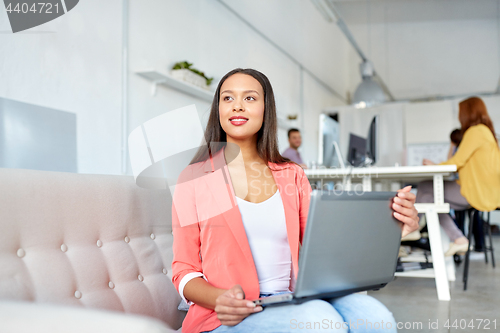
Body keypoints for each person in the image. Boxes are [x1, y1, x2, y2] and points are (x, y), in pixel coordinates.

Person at [171, 68, 419, 333]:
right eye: (228, 98)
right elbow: (183, 269)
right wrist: (219, 298)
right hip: (227, 316)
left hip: (289, 299)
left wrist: (392, 230)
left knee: (376, 319)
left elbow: (326, 246)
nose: (238, 106)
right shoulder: (194, 178)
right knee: (322, 324)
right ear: (218, 108)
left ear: (266, 109)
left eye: (250, 98)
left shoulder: (291, 175)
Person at [419, 96, 500, 256]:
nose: (459, 116)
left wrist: (434, 166)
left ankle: (413, 228)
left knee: (424, 186)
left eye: (460, 112)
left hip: (475, 192)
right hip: (485, 191)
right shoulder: (485, 132)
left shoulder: (475, 131)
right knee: (429, 199)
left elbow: (456, 162)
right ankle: (458, 239)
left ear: (468, 113)